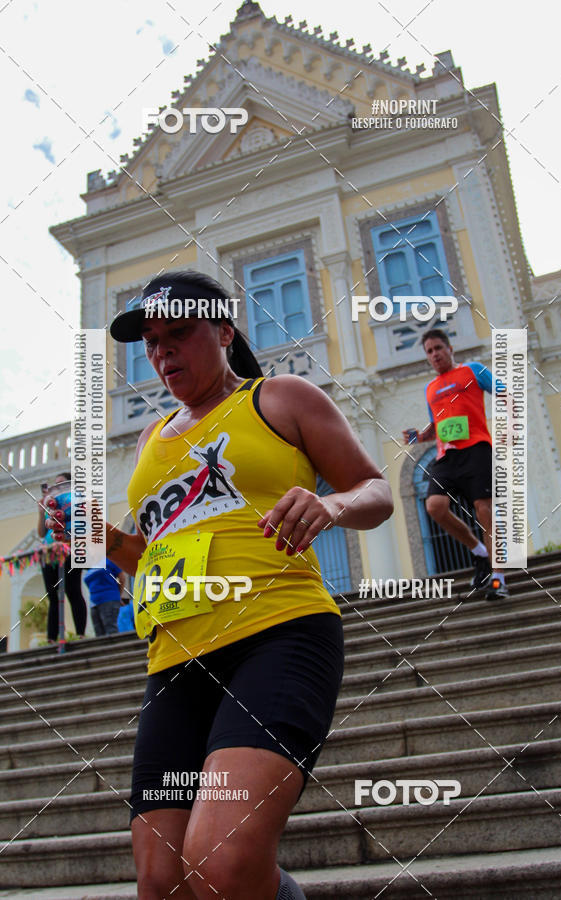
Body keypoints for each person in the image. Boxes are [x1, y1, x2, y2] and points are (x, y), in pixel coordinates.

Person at [102, 270, 393, 900]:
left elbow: (375, 490)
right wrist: (102, 540)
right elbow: (153, 556)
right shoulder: (152, 439)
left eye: (179, 333)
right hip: (175, 661)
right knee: (161, 882)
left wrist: (331, 505)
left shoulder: (280, 397)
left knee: (222, 862)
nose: (162, 353)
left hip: (278, 635)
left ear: (225, 332)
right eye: (151, 343)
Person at [403, 328, 508, 601]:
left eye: (438, 348)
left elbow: (504, 392)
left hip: (476, 449)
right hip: (446, 456)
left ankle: (498, 578)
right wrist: (418, 436)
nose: (435, 354)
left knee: (484, 511)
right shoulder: (430, 389)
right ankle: (479, 552)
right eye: (429, 351)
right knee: (434, 507)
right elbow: (436, 426)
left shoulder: (473, 370)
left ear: (450, 349)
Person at [37, 473, 87, 641]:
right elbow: (41, 533)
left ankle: (80, 634)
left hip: (69, 551)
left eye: (61, 483)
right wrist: (41, 512)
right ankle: (52, 637)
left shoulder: (75, 500)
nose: (57, 487)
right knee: (52, 596)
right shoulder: (50, 506)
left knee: (73, 591)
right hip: (49, 552)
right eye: (55, 484)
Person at [84, 559, 126, 636]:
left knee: (111, 629)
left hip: (109, 599)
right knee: (98, 633)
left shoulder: (108, 561)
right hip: (94, 603)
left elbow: (122, 577)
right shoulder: (90, 565)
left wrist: (118, 595)